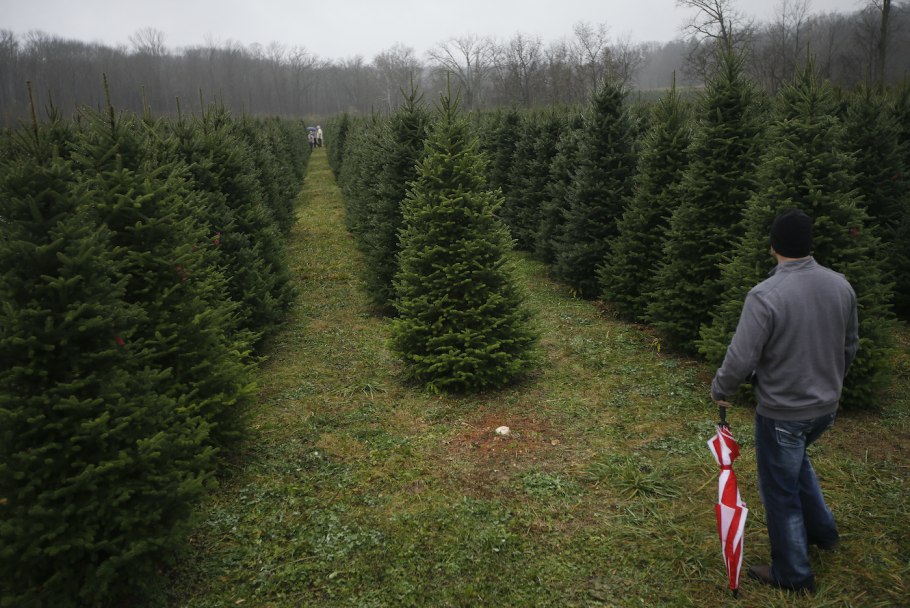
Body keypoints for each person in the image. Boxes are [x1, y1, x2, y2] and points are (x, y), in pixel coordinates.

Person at [710, 208, 859, 594]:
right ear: (809, 245)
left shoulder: (765, 295)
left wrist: (721, 387)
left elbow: (742, 356)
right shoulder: (841, 285)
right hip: (825, 409)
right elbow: (849, 346)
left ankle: (792, 572)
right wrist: (831, 383)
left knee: (780, 488)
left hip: (783, 412)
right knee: (795, 463)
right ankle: (823, 532)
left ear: (773, 246)